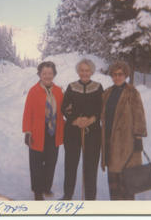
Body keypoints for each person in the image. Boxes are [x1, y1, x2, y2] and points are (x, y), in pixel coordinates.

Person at [101, 61, 147, 200]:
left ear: (126, 75)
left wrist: (138, 137)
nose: (117, 77)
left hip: (127, 144)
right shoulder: (107, 93)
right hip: (110, 142)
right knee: (114, 181)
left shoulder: (132, 92)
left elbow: (139, 115)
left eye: (120, 74)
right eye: (114, 74)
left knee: (127, 183)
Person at [61, 59, 103, 200]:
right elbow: (64, 107)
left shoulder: (98, 87)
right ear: (78, 71)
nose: (84, 73)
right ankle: (68, 195)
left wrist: (91, 120)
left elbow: (101, 108)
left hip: (93, 132)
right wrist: (75, 120)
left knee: (91, 166)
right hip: (73, 131)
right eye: (82, 70)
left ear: (91, 71)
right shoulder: (71, 87)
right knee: (70, 164)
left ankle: (90, 198)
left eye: (87, 70)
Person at [22, 61, 65, 200]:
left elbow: (63, 111)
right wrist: (27, 132)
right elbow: (28, 112)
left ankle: (47, 187)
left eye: (50, 73)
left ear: (54, 74)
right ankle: (37, 191)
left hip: (54, 132)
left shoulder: (58, 91)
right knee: (36, 163)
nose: (47, 76)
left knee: (51, 161)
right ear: (40, 74)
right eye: (44, 73)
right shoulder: (33, 91)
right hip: (37, 132)